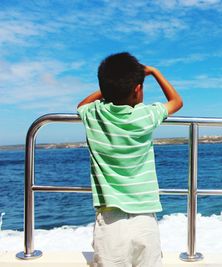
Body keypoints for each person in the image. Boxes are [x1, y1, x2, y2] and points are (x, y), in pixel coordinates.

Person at [77, 52, 183, 267]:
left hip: (109, 217)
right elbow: (176, 101)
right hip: (144, 215)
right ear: (138, 89)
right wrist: (154, 72)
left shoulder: (95, 114)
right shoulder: (145, 116)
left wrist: (109, 89)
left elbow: (81, 105)